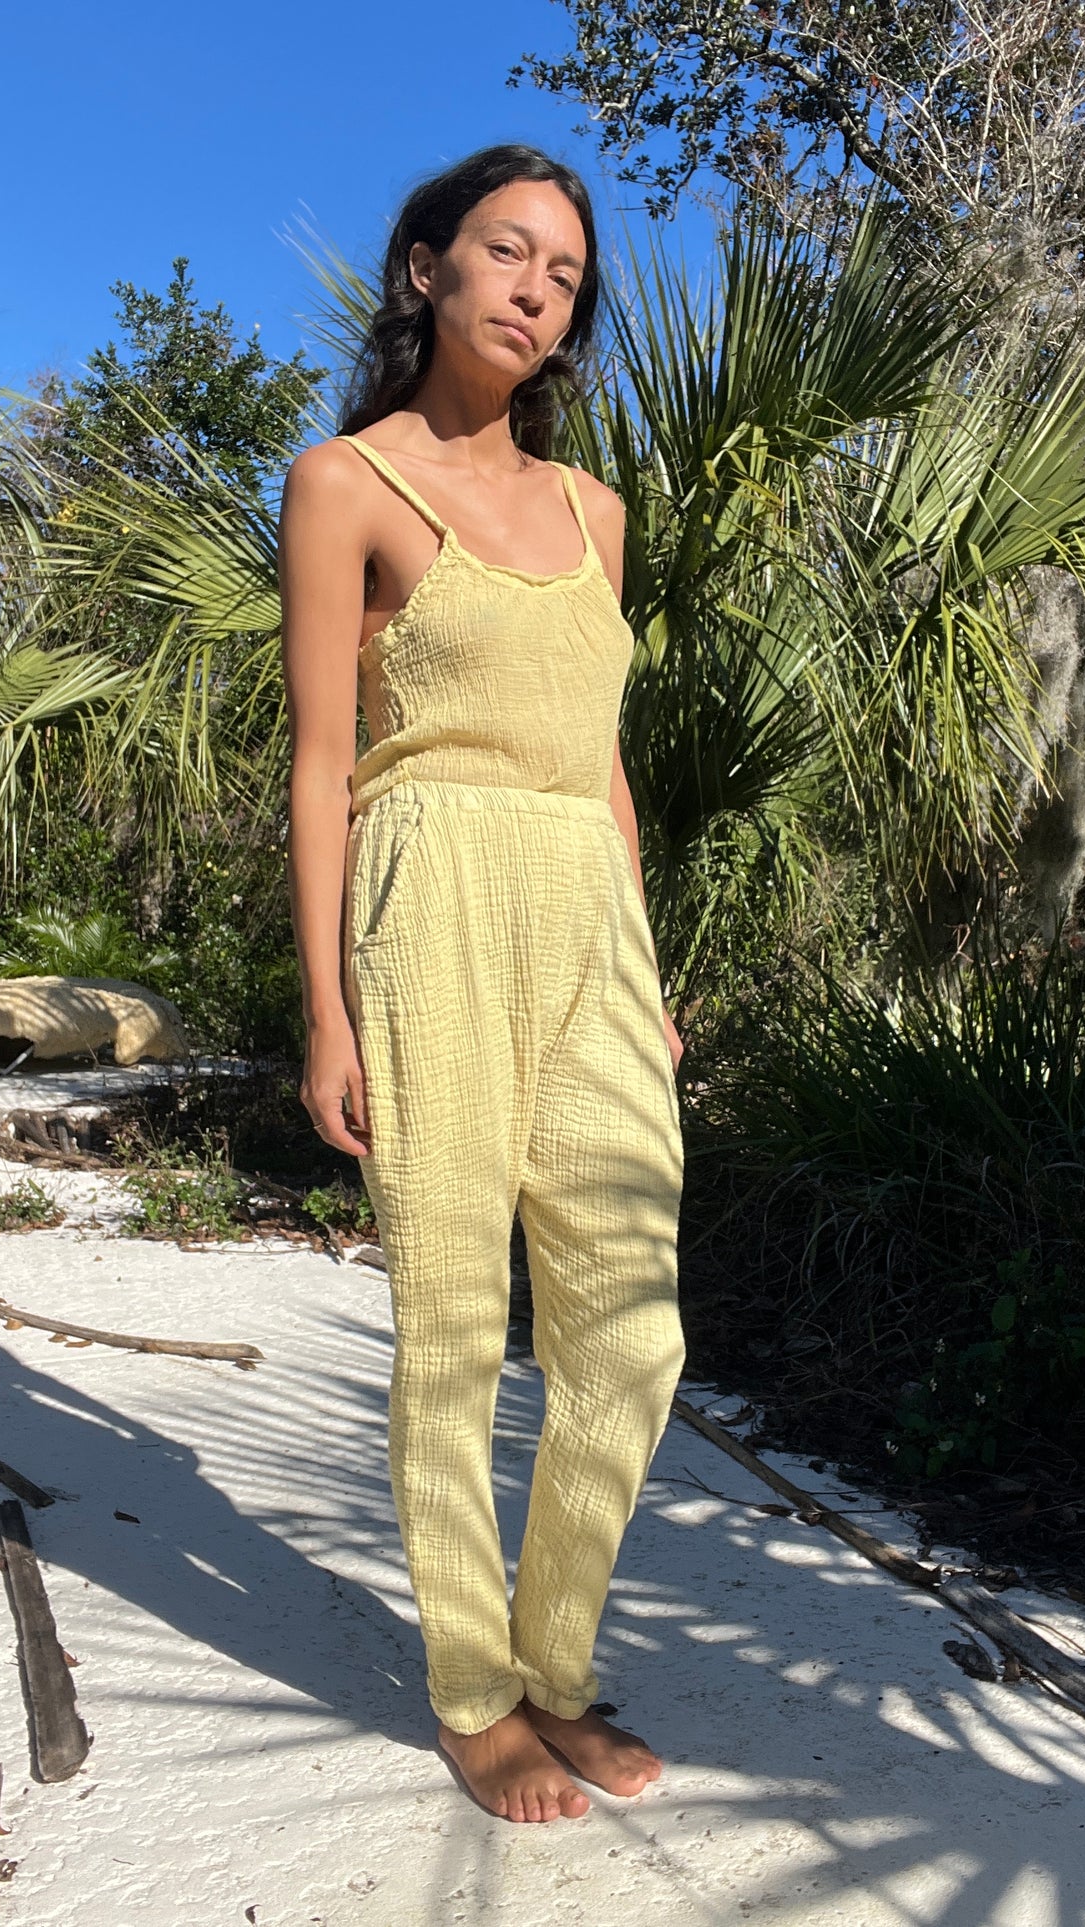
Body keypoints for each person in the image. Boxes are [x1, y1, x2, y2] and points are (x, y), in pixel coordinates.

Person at [277, 144, 688, 1826]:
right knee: (451, 1324)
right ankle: (474, 1691)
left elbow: (602, 764)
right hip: (428, 894)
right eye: (507, 251)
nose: (534, 289)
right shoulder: (346, 483)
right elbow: (321, 764)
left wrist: (640, 969)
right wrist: (328, 1015)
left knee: (630, 1337)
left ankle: (557, 1661)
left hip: (586, 918)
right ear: (427, 266)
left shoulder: (598, 514)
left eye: (564, 275)